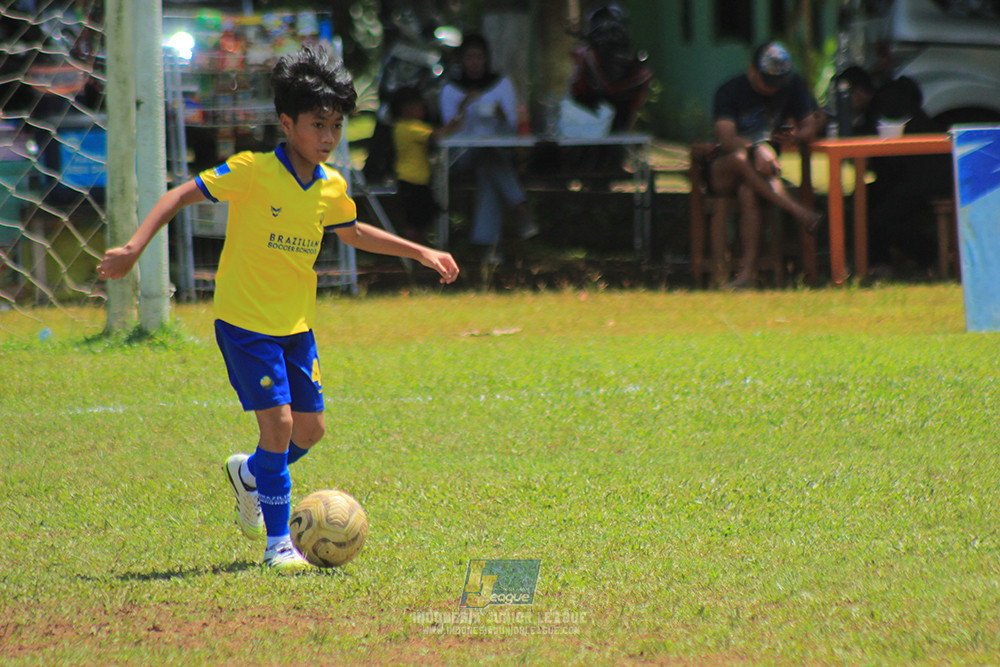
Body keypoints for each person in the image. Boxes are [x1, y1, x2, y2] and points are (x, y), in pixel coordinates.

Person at [97, 46, 459, 571]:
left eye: (336, 125)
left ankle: (252, 475)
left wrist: (419, 250)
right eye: (319, 125)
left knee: (310, 431)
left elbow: (352, 232)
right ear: (287, 124)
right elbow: (179, 195)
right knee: (281, 427)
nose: (330, 137)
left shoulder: (331, 184)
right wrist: (134, 247)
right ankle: (277, 544)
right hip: (245, 324)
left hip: (295, 327)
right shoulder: (252, 171)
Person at [707, 41, 825, 289]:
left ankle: (747, 274)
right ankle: (800, 212)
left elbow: (811, 124)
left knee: (748, 191)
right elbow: (726, 139)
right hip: (724, 167)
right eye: (766, 82)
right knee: (740, 160)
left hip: (761, 173)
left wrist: (796, 137)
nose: (771, 89)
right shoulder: (730, 91)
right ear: (752, 70)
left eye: (777, 84)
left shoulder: (792, 85)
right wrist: (756, 147)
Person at [439, 33, 537, 266]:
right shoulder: (451, 88)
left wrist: (503, 117)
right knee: (486, 156)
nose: (475, 63)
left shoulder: (501, 84)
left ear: (487, 59)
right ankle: (521, 207)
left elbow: (513, 127)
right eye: (470, 57)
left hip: (496, 152)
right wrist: (463, 106)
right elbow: (448, 131)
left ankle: (489, 249)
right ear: (462, 59)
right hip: (461, 156)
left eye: (479, 57)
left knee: (488, 165)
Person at [865, 76, 951, 272]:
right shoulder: (908, 105)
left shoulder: (880, 107)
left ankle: (932, 256)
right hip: (939, 173)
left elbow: (883, 161)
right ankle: (880, 262)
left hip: (923, 179)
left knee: (880, 217)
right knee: (870, 197)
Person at [391, 85, 462, 244]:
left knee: (421, 220)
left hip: (418, 181)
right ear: (406, 109)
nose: (423, 110)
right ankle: (411, 253)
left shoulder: (409, 126)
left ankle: (418, 253)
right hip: (411, 182)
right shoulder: (407, 128)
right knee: (413, 223)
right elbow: (436, 135)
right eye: (419, 107)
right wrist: (456, 122)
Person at [569, 2, 653, 134]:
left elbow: (631, 110)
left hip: (612, 125)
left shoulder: (639, 74)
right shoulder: (584, 60)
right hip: (583, 125)